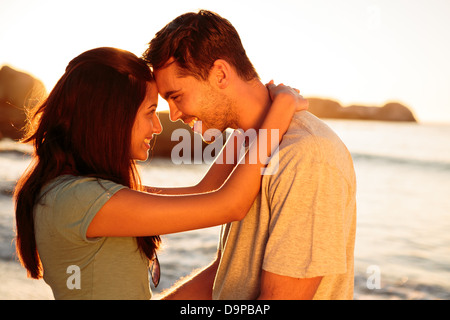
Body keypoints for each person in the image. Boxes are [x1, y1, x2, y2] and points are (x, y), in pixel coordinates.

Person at [13, 47, 307, 300]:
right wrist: (282, 106)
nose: (157, 126)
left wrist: (248, 125)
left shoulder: (78, 192)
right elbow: (230, 204)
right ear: (112, 117)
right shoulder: (79, 199)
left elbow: (202, 191)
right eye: (149, 112)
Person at [142, 10, 357, 300]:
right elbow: (228, 271)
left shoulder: (307, 156)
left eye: (176, 96)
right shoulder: (247, 141)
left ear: (220, 74)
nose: (175, 114)